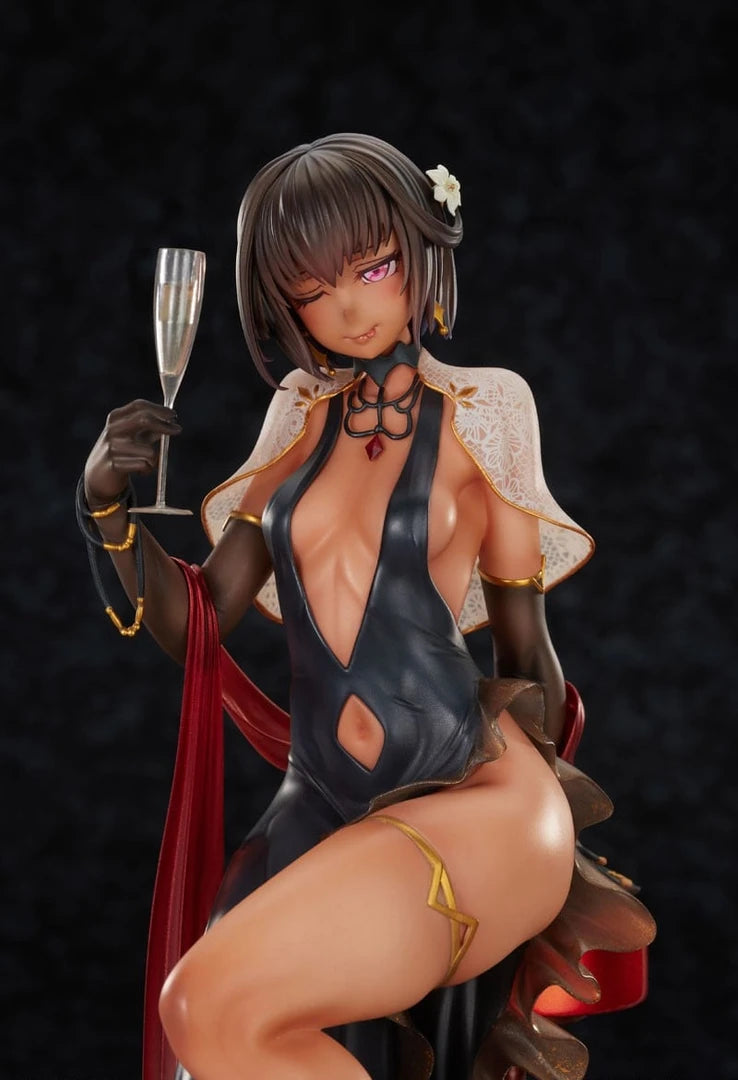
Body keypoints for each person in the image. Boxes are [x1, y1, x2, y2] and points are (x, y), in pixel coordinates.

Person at [79, 134, 655, 1080]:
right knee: (208, 1036)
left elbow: (523, 648)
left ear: (424, 247)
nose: (348, 306)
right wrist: (103, 508)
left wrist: (557, 852)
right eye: (311, 289)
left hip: (472, 794)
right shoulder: (296, 418)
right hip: (319, 794)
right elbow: (201, 624)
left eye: (373, 267)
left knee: (209, 1003)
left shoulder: (485, 409)